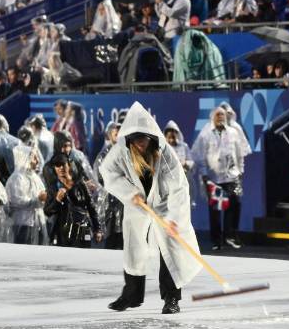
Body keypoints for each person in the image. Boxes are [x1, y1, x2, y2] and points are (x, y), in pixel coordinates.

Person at [100, 103, 201, 314]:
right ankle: (132, 295)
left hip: (164, 206)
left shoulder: (165, 154)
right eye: (136, 140)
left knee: (169, 250)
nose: (141, 145)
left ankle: (172, 298)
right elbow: (107, 172)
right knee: (134, 247)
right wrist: (129, 193)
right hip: (137, 205)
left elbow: (180, 188)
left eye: (144, 139)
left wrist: (174, 217)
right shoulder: (121, 150)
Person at [192, 105, 246, 250]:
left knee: (232, 206)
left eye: (222, 115)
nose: (221, 117)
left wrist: (240, 171)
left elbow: (240, 153)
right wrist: (204, 175)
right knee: (215, 211)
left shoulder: (233, 133)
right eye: (218, 115)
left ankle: (229, 236)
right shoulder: (206, 135)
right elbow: (200, 156)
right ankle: (216, 241)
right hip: (213, 178)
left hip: (231, 176)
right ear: (212, 117)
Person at [46, 153, 101, 247]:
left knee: (83, 257)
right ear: (54, 169)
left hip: (83, 228)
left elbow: (91, 207)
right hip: (63, 232)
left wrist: (97, 229)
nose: (61, 168)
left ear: (68, 165)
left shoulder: (80, 184)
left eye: (63, 164)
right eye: (57, 166)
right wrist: (57, 200)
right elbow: (47, 211)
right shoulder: (53, 187)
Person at [6, 144, 47, 244]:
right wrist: (38, 199)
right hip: (23, 223)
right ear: (24, 158)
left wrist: (42, 198)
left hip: (37, 222)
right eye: (34, 157)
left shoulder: (35, 177)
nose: (37, 160)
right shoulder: (17, 178)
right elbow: (18, 201)